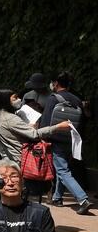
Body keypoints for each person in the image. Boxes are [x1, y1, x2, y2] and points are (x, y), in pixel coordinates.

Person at [42, 73, 88, 213]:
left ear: (56, 83)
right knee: (63, 167)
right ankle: (57, 198)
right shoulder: (76, 99)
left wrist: (43, 136)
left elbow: (46, 120)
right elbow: (83, 121)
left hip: (56, 139)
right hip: (72, 139)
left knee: (62, 170)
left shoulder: (53, 99)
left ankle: (82, 199)